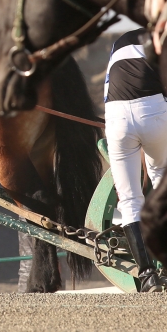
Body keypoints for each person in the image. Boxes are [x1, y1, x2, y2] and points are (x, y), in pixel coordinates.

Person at [104, 28, 167, 292]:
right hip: (154, 112)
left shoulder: (123, 39)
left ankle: (147, 276)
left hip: (116, 117)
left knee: (129, 198)